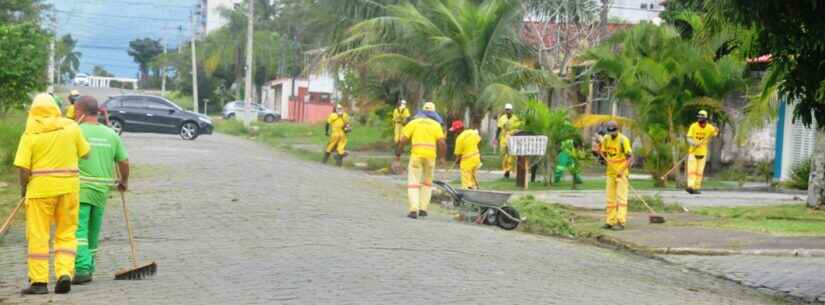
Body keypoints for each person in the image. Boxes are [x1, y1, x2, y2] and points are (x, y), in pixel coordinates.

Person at [15, 93, 90, 294]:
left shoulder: (30, 133)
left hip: (40, 191)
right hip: (69, 190)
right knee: (66, 233)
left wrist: (23, 189)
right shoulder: (72, 127)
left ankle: (39, 283)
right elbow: (86, 153)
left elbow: (23, 168)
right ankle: (64, 273)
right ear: (56, 109)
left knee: (39, 235)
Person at [72, 96, 130, 285]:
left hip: (80, 188)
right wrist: (124, 181)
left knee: (78, 231)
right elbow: (124, 161)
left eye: (74, 111)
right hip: (101, 191)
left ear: (80, 111)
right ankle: (90, 268)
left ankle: (81, 269)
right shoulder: (111, 134)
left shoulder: (75, 131)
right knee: (93, 233)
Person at [395, 102, 446, 219]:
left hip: (416, 157)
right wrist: (442, 157)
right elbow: (442, 143)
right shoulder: (436, 125)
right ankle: (423, 209)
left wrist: (398, 156)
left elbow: (402, 141)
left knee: (413, 182)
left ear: (422, 112)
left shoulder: (414, 123)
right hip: (430, 157)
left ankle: (414, 209)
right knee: (427, 183)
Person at [598, 121, 633, 230]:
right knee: (610, 199)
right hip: (610, 173)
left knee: (621, 198)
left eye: (614, 132)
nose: (612, 134)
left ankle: (620, 222)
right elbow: (603, 154)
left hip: (621, 173)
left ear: (618, 130)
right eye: (610, 132)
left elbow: (630, 159)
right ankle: (610, 221)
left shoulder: (623, 140)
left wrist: (621, 170)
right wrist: (601, 157)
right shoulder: (606, 139)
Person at [685, 110, 718, 194]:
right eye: (699, 117)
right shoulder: (693, 126)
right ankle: (690, 187)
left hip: (703, 153)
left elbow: (716, 134)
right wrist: (693, 143)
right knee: (692, 171)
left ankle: (696, 188)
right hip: (693, 152)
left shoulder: (709, 127)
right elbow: (689, 137)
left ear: (705, 118)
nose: (700, 119)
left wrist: (717, 131)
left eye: (702, 117)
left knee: (699, 172)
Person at [449, 120, 481, 189]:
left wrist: (458, 160)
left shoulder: (459, 138)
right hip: (476, 158)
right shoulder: (471, 132)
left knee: (466, 177)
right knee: (472, 175)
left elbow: (458, 153)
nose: (454, 132)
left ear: (458, 130)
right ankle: (474, 189)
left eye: (454, 130)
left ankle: (468, 190)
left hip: (467, 161)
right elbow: (478, 141)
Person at [496, 103, 521, 179]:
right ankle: (506, 170)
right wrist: (496, 138)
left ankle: (510, 170)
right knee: (504, 155)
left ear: (511, 110)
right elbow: (498, 129)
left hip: (512, 138)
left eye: (509, 109)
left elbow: (519, 128)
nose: (508, 111)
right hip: (503, 138)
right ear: (505, 110)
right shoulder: (502, 118)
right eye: (507, 109)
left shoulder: (515, 118)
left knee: (512, 155)